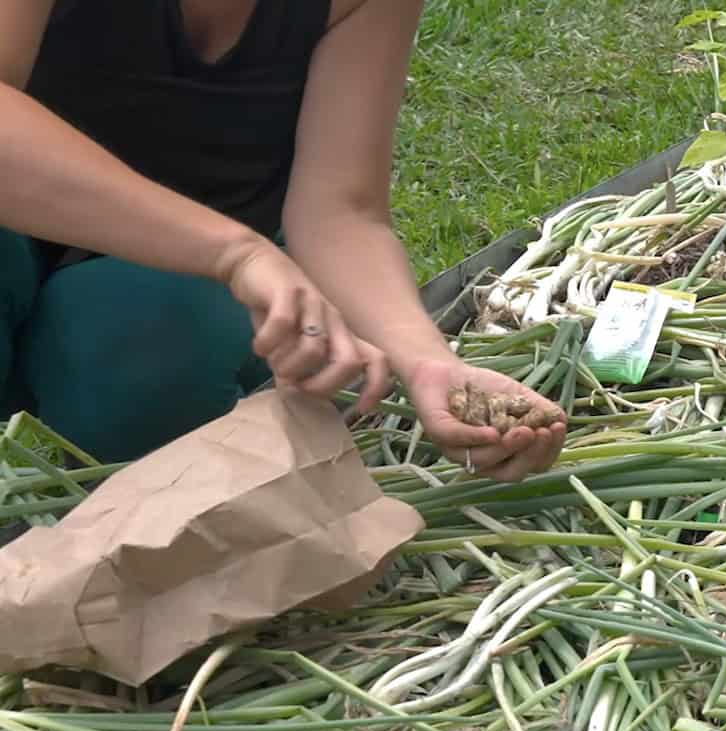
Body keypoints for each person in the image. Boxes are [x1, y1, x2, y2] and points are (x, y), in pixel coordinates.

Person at [0, 0, 566, 482]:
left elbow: (340, 211)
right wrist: (235, 252)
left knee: (154, 346)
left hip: (169, 287)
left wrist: (426, 361)